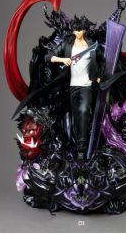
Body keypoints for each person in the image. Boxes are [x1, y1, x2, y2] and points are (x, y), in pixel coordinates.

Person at [45, 16, 105, 160]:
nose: (77, 32)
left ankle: (81, 149)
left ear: (84, 30)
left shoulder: (92, 45)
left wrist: (99, 76)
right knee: (76, 115)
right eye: (75, 30)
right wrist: (62, 59)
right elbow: (48, 57)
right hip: (71, 86)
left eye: (80, 30)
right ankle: (79, 143)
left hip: (86, 86)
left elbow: (102, 61)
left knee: (84, 112)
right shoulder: (67, 44)